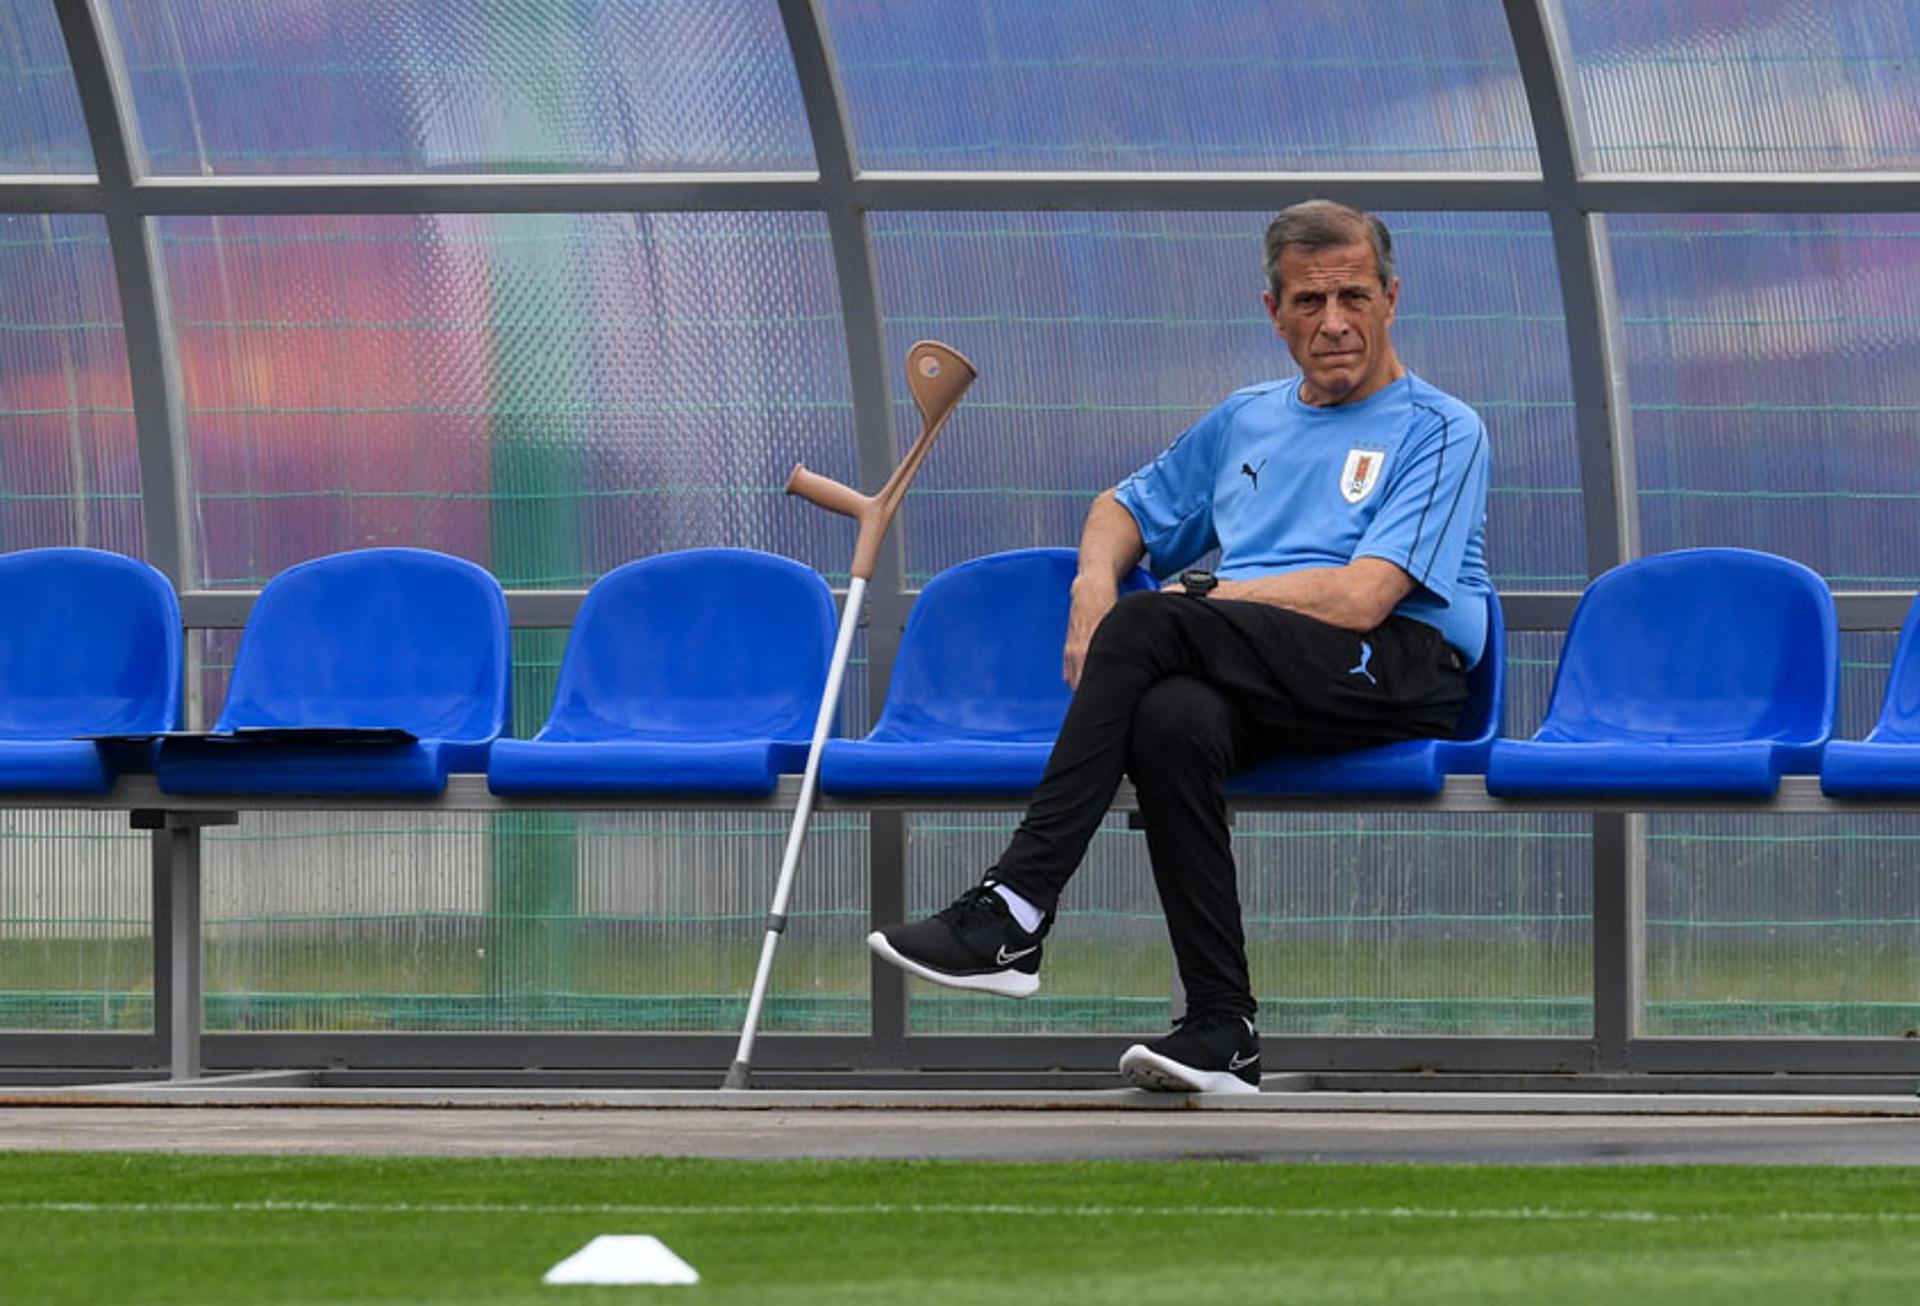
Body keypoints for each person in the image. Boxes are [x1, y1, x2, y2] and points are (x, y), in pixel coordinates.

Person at [868, 200, 1492, 1094]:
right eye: (1309, 303)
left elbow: (1363, 598)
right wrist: (1093, 589)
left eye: (1354, 296)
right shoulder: (1247, 420)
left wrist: (1197, 596)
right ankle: (1221, 1028)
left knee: (1159, 622)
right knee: (1172, 717)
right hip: (1264, 668)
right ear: (1272, 312)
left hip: (1394, 665)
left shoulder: (1441, 429)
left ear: (1392, 297)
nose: (1335, 323)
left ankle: (1013, 906)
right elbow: (1122, 508)